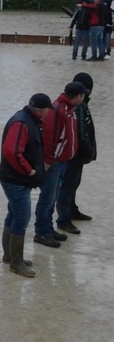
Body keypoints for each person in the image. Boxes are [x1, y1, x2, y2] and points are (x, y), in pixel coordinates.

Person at [0, 93, 52, 278]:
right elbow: (12, 151)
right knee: (21, 218)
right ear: (42, 110)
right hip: (16, 180)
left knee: (14, 214)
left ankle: (10, 256)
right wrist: (29, 171)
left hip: (14, 178)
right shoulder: (22, 123)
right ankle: (16, 262)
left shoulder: (26, 119)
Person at [32, 81, 87, 246]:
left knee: (53, 197)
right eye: (83, 95)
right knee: (48, 198)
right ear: (78, 96)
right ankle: (41, 231)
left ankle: (47, 229)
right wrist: (49, 160)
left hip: (62, 161)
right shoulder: (58, 110)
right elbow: (50, 137)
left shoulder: (69, 109)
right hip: (55, 162)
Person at [56, 73, 96, 233]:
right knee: (68, 184)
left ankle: (71, 210)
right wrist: (87, 151)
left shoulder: (80, 104)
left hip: (76, 153)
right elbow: (81, 132)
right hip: (75, 154)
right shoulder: (79, 107)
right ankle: (64, 218)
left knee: (73, 183)